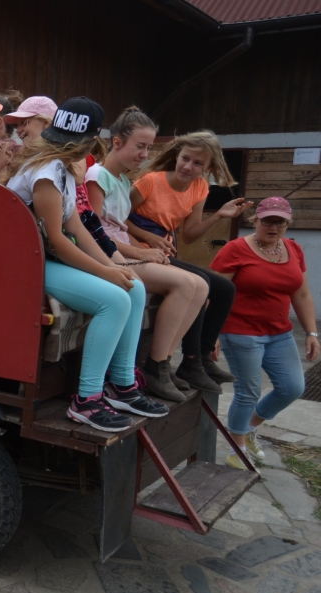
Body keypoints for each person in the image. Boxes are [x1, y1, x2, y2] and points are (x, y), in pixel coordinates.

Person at [6, 97, 168, 431]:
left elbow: (77, 227)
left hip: (42, 255)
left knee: (134, 287)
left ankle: (122, 384)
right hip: (24, 262)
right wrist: (106, 272)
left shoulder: (62, 168)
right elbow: (58, 240)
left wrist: (113, 265)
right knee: (114, 300)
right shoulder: (47, 173)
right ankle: (87, 399)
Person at [84, 108, 209, 401]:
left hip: (123, 251)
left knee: (202, 286)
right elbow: (94, 232)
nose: (145, 154)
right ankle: (153, 366)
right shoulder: (97, 176)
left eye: (149, 148)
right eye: (140, 146)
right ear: (117, 142)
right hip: (106, 256)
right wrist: (142, 253)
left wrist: (147, 250)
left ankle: (163, 362)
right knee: (185, 283)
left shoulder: (123, 181)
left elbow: (120, 228)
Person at [128, 131, 253, 392]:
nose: (188, 167)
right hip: (134, 250)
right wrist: (146, 236)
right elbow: (115, 217)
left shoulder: (200, 188)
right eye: (185, 158)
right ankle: (180, 361)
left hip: (161, 254)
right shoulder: (150, 181)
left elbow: (189, 235)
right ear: (177, 155)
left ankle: (198, 359)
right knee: (200, 282)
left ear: (208, 167)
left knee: (225, 288)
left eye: (198, 163)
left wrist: (218, 216)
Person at [211, 197, 319, 468]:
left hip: (280, 333)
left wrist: (312, 332)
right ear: (254, 220)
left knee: (292, 387)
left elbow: (301, 294)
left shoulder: (293, 248)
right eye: (267, 221)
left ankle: (249, 428)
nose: (273, 227)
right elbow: (213, 294)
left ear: (288, 223)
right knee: (248, 391)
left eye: (280, 222)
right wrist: (210, 334)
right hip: (241, 331)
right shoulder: (235, 249)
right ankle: (236, 451)